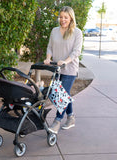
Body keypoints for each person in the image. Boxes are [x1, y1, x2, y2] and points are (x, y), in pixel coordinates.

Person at [44, 6, 83, 134]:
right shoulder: (54, 31)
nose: (62, 19)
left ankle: (57, 121)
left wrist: (65, 62)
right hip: (57, 68)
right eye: (61, 17)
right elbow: (50, 47)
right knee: (61, 95)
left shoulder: (77, 32)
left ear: (71, 18)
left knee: (62, 96)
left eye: (65, 17)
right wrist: (48, 58)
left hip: (70, 69)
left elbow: (76, 52)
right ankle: (71, 117)